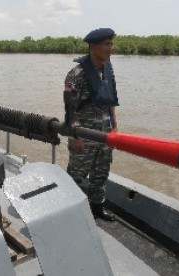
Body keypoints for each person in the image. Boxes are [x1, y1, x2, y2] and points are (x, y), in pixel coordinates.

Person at [63, 28, 119, 221]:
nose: (110, 48)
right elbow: (70, 109)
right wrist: (74, 136)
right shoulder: (76, 74)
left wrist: (115, 127)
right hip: (84, 136)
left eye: (111, 44)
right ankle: (69, 210)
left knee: (101, 174)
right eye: (106, 44)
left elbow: (110, 100)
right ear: (93, 46)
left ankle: (97, 208)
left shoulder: (107, 70)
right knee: (76, 175)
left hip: (105, 135)